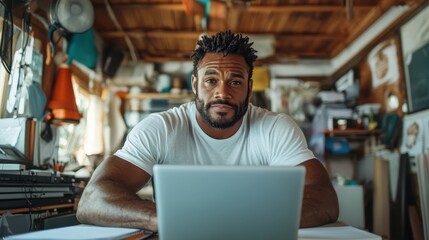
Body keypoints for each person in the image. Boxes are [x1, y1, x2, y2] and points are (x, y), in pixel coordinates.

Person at [76, 30, 339, 232]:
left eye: (235, 82)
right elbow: (92, 199)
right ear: (195, 84)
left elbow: (324, 198)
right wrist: (167, 218)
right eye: (211, 80)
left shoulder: (275, 128)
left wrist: (247, 222)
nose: (222, 93)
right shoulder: (160, 128)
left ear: (249, 87)